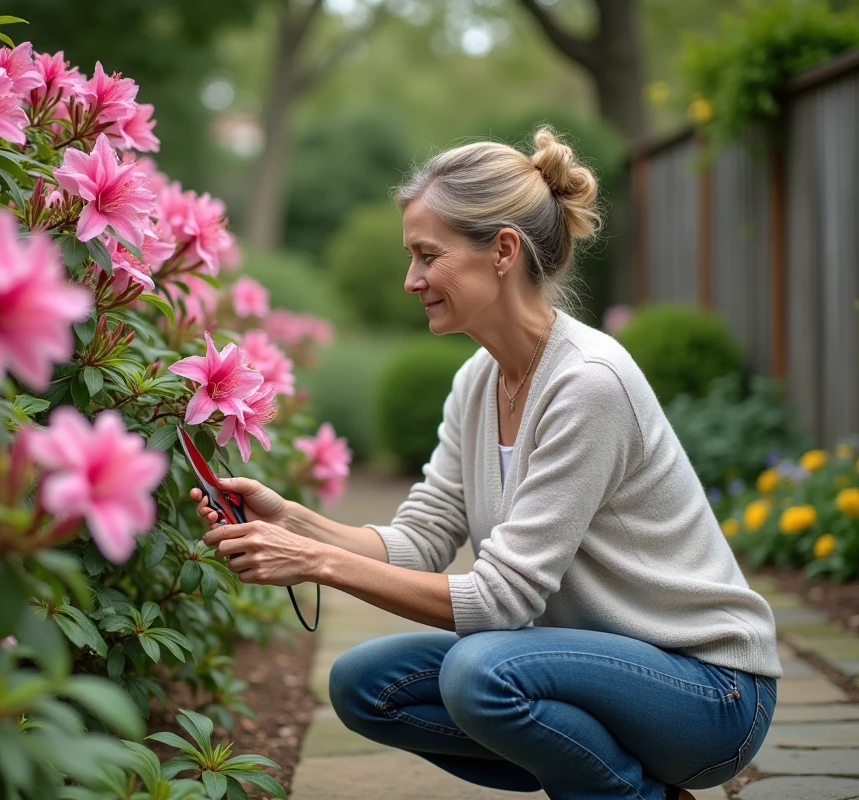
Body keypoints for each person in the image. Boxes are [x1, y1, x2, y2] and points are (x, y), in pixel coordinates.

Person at [192, 125, 780, 800]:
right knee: (365, 687)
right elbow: (420, 542)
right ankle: (618, 783)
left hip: (711, 693)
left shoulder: (588, 382)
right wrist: (292, 521)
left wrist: (316, 564)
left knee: (481, 673)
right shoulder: (478, 381)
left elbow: (501, 602)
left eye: (426, 255)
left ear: (502, 250)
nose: (411, 279)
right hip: (594, 670)